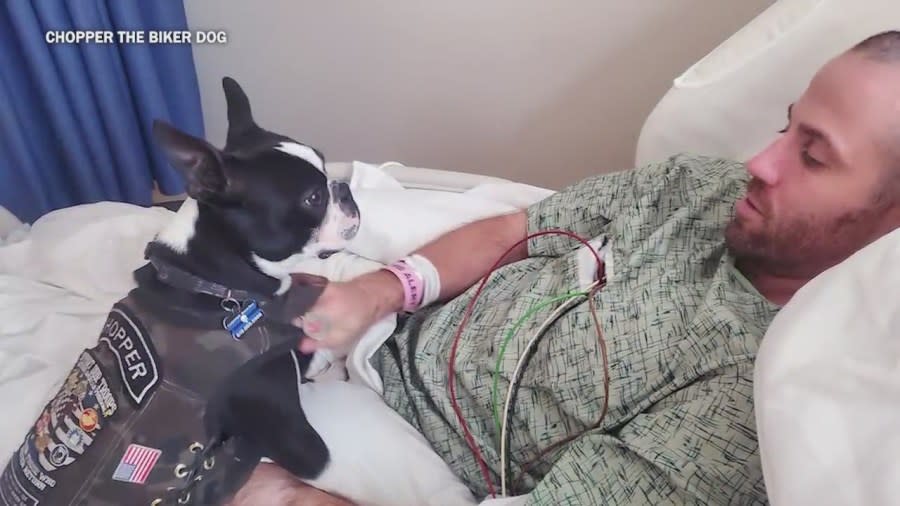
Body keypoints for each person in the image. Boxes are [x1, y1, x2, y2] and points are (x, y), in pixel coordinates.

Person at [229, 31, 900, 505]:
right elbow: (520, 228)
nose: (761, 160)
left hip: (413, 456)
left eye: (813, 157)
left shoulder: (762, 395)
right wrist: (380, 291)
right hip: (379, 340)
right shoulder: (705, 189)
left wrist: (286, 496)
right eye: (787, 126)